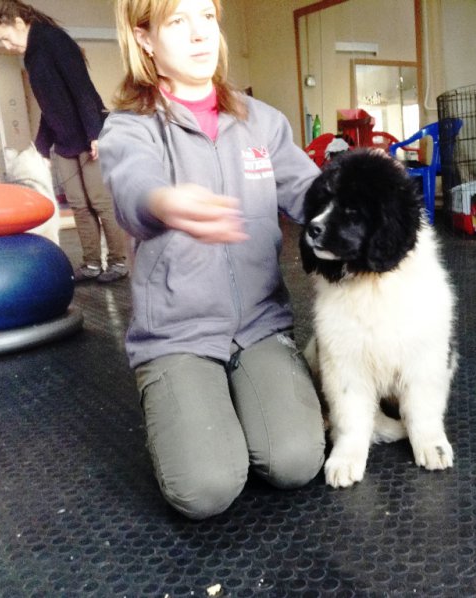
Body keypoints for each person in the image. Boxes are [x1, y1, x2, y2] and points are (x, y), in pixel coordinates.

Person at [98, 0, 326, 519]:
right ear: (146, 39)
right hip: (178, 334)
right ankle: (181, 392)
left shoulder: (261, 122)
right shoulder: (130, 128)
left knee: (295, 461)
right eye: (177, 21)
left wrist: (361, 185)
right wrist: (165, 201)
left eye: (207, 16)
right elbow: (135, 185)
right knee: (206, 489)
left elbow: (313, 193)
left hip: (259, 326)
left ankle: (242, 394)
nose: (200, 35)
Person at [0, 0, 128, 283]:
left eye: (5, 37)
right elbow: (49, 106)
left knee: (100, 202)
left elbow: (82, 90)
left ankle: (118, 261)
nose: (6, 45)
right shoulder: (31, 56)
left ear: (18, 22)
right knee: (79, 204)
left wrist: (95, 135)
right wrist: (41, 147)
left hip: (89, 138)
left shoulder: (54, 40)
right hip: (64, 142)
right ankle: (91, 264)